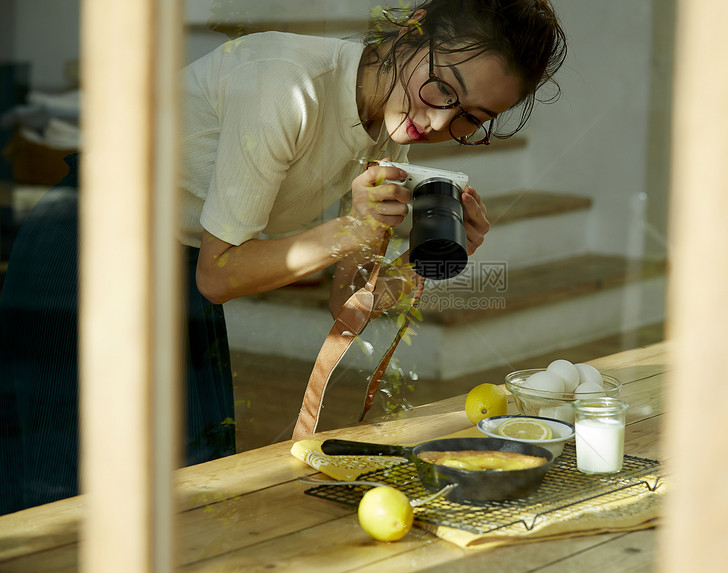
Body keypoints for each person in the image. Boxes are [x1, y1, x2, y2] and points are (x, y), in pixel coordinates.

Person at [0, 0, 567, 515]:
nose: (442, 121)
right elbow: (218, 279)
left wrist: (436, 259)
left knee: (180, 477)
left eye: (471, 117)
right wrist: (354, 227)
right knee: (73, 487)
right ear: (415, 29)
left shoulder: (391, 128)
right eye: (445, 87)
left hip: (174, 260)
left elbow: (347, 300)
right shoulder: (286, 85)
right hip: (86, 248)